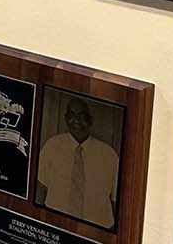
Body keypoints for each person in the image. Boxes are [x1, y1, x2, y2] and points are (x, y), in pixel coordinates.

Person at [36, 98, 120, 229]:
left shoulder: (109, 155)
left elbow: (116, 201)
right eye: (72, 115)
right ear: (65, 118)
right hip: (56, 226)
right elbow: (40, 189)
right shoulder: (52, 146)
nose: (76, 120)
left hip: (97, 229)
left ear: (90, 119)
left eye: (82, 115)